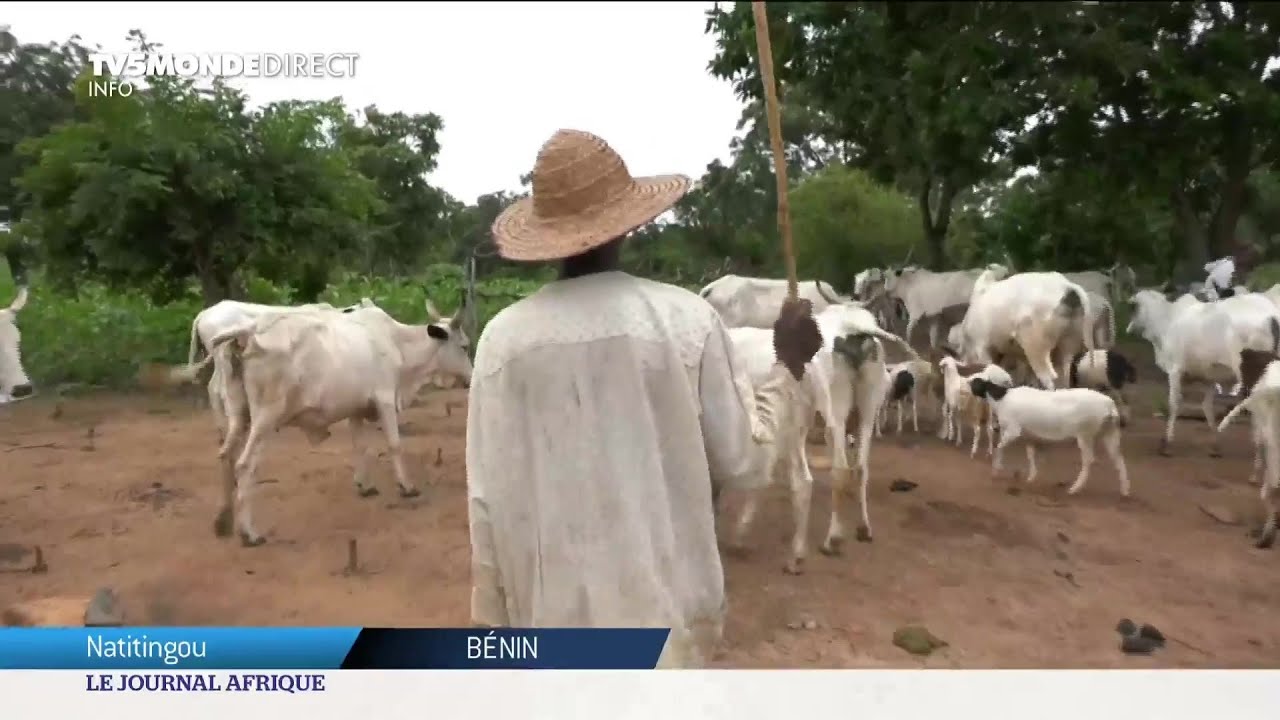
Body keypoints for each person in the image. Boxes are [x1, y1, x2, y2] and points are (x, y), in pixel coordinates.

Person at [464, 129, 766, 667]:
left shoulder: (501, 341)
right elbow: (740, 463)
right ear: (625, 227)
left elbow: (485, 497)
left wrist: (494, 621)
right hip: (667, 620)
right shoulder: (687, 322)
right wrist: (773, 383)